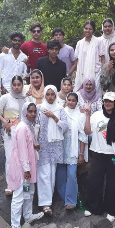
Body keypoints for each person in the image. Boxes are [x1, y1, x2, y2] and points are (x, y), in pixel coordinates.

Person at [83, 91, 115, 222]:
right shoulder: (96, 115)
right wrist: (87, 115)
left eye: (110, 101)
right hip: (98, 153)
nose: (107, 103)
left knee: (114, 184)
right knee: (93, 180)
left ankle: (112, 210)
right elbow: (87, 131)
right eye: (105, 101)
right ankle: (93, 207)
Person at [6, 102, 45, 228]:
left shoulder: (28, 126)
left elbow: (27, 145)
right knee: (19, 195)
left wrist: (34, 146)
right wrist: (26, 170)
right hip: (22, 168)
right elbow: (22, 151)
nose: (33, 114)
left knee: (29, 192)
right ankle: (15, 224)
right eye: (30, 111)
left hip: (28, 166)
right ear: (24, 112)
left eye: (34, 111)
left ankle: (28, 215)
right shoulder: (22, 128)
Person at [36, 85, 68, 216]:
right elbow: (35, 126)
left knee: (51, 174)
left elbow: (65, 126)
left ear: (55, 95)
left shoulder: (60, 109)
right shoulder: (39, 108)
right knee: (43, 174)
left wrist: (54, 116)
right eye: (48, 94)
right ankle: (45, 204)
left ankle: (48, 201)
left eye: (52, 94)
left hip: (55, 145)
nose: (50, 97)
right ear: (45, 95)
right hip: (42, 145)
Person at [0, 75, 27, 196]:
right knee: (10, 157)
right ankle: (10, 184)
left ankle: (22, 181)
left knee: (22, 156)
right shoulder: (5, 98)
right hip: (9, 130)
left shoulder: (25, 98)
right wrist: (5, 122)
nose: (16, 87)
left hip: (23, 130)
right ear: (11, 85)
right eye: (14, 85)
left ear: (22, 85)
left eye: (19, 85)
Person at [56, 92, 87, 211]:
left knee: (72, 175)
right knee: (60, 176)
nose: (71, 102)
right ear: (66, 100)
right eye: (69, 100)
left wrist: (81, 154)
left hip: (73, 151)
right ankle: (64, 199)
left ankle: (71, 201)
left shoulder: (80, 116)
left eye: (73, 100)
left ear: (77, 102)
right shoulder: (61, 113)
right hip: (61, 149)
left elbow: (83, 136)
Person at [74, 20, 104, 90]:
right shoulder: (79, 43)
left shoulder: (98, 41)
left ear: (93, 30)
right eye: (86, 28)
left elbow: (103, 58)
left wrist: (102, 72)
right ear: (83, 29)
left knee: (95, 91)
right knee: (80, 93)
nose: (88, 31)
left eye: (90, 29)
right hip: (81, 73)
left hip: (95, 72)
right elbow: (76, 60)